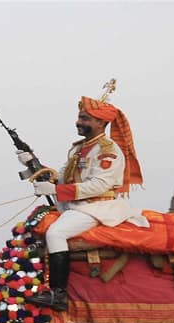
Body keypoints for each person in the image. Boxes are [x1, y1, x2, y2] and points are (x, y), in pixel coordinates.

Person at [21, 88, 148, 311]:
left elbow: (99, 185)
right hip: (76, 206)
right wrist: (32, 162)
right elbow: (61, 176)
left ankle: (58, 294)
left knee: (56, 233)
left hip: (98, 207)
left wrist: (56, 190)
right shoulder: (79, 149)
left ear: (101, 123)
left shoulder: (108, 151)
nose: (78, 122)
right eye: (80, 117)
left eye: (84, 119)